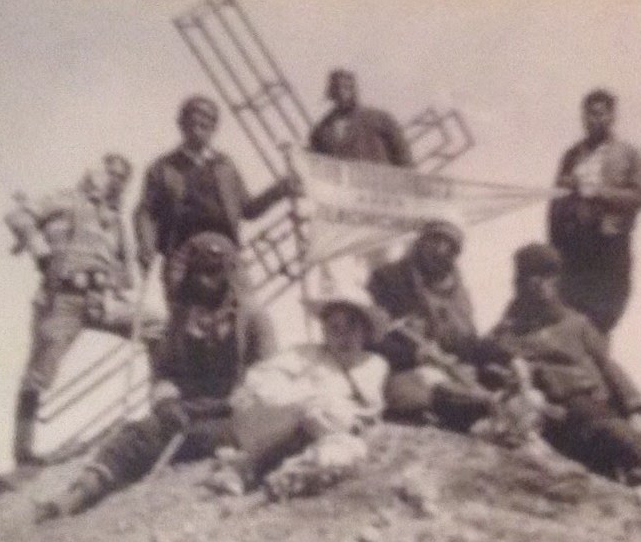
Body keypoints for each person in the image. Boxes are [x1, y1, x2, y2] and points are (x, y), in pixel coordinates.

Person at [478, 243, 641, 526]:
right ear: (520, 282)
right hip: (571, 409)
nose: (541, 285)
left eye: (549, 276)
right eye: (533, 276)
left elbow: (610, 368)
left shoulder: (576, 323)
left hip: (610, 399)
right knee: (628, 441)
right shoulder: (507, 335)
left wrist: (636, 406)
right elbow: (488, 365)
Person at [35, 232, 275, 521]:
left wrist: (244, 398)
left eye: (213, 273)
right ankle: (78, 494)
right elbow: (163, 371)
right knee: (136, 436)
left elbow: (269, 373)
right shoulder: (181, 318)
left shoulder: (252, 316)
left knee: (226, 438)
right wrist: (167, 403)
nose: (205, 281)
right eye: (199, 273)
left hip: (232, 415)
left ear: (227, 272)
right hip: (186, 412)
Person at [0, 153, 134, 469]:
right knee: (38, 374)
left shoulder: (115, 221)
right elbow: (18, 217)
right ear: (96, 172)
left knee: (157, 326)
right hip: (63, 299)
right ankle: (24, 454)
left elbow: (127, 273)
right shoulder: (65, 199)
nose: (115, 181)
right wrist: (42, 252)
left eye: (122, 178)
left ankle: (163, 409)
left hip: (100, 300)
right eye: (110, 173)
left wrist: (117, 281)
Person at [205, 288, 390, 498]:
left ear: (365, 330)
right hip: (281, 423)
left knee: (348, 450)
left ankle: (286, 475)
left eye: (351, 326)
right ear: (325, 331)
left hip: (326, 432)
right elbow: (260, 379)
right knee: (322, 407)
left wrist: (331, 412)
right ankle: (245, 467)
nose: (343, 336)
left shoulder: (374, 365)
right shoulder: (306, 354)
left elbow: (369, 411)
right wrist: (304, 398)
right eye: (334, 328)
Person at [133, 95, 298, 301]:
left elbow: (248, 209)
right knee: (184, 315)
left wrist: (279, 190)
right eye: (192, 122)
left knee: (246, 312)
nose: (199, 127)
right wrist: (146, 245)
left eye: (206, 122)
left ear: (214, 127)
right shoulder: (163, 167)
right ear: (181, 125)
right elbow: (146, 211)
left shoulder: (225, 166)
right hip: (182, 251)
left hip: (224, 248)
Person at [366, 220, 494, 430]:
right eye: (435, 239)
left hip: (453, 374)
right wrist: (416, 355)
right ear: (421, 241)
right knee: (430, 382)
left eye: (450, 245)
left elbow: (469, 342)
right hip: (402, 375)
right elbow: (370, 340)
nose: (441, 249)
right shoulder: (389, 280)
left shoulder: (458, 293)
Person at [547, 88, 641, 336]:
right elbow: (555, 202)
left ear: (612, 117)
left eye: (600, 114)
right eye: (589, 114)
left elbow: (639, 196)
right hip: (573, 248)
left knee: (601, 318)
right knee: (567, 313)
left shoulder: (629, 154)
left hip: (608, 246)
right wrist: (554, 245)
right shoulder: (571, 156)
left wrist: (600, 193)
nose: (594, 120)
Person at [308, 68, 413, 167]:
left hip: (376, 183)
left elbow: (404, 157)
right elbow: (314, 163)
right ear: (330, 92)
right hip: (339, 185)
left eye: (346, 87)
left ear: (354, 90)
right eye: (336, 88)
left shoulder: (380, 119)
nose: (341, 93)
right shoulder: (321, 130)